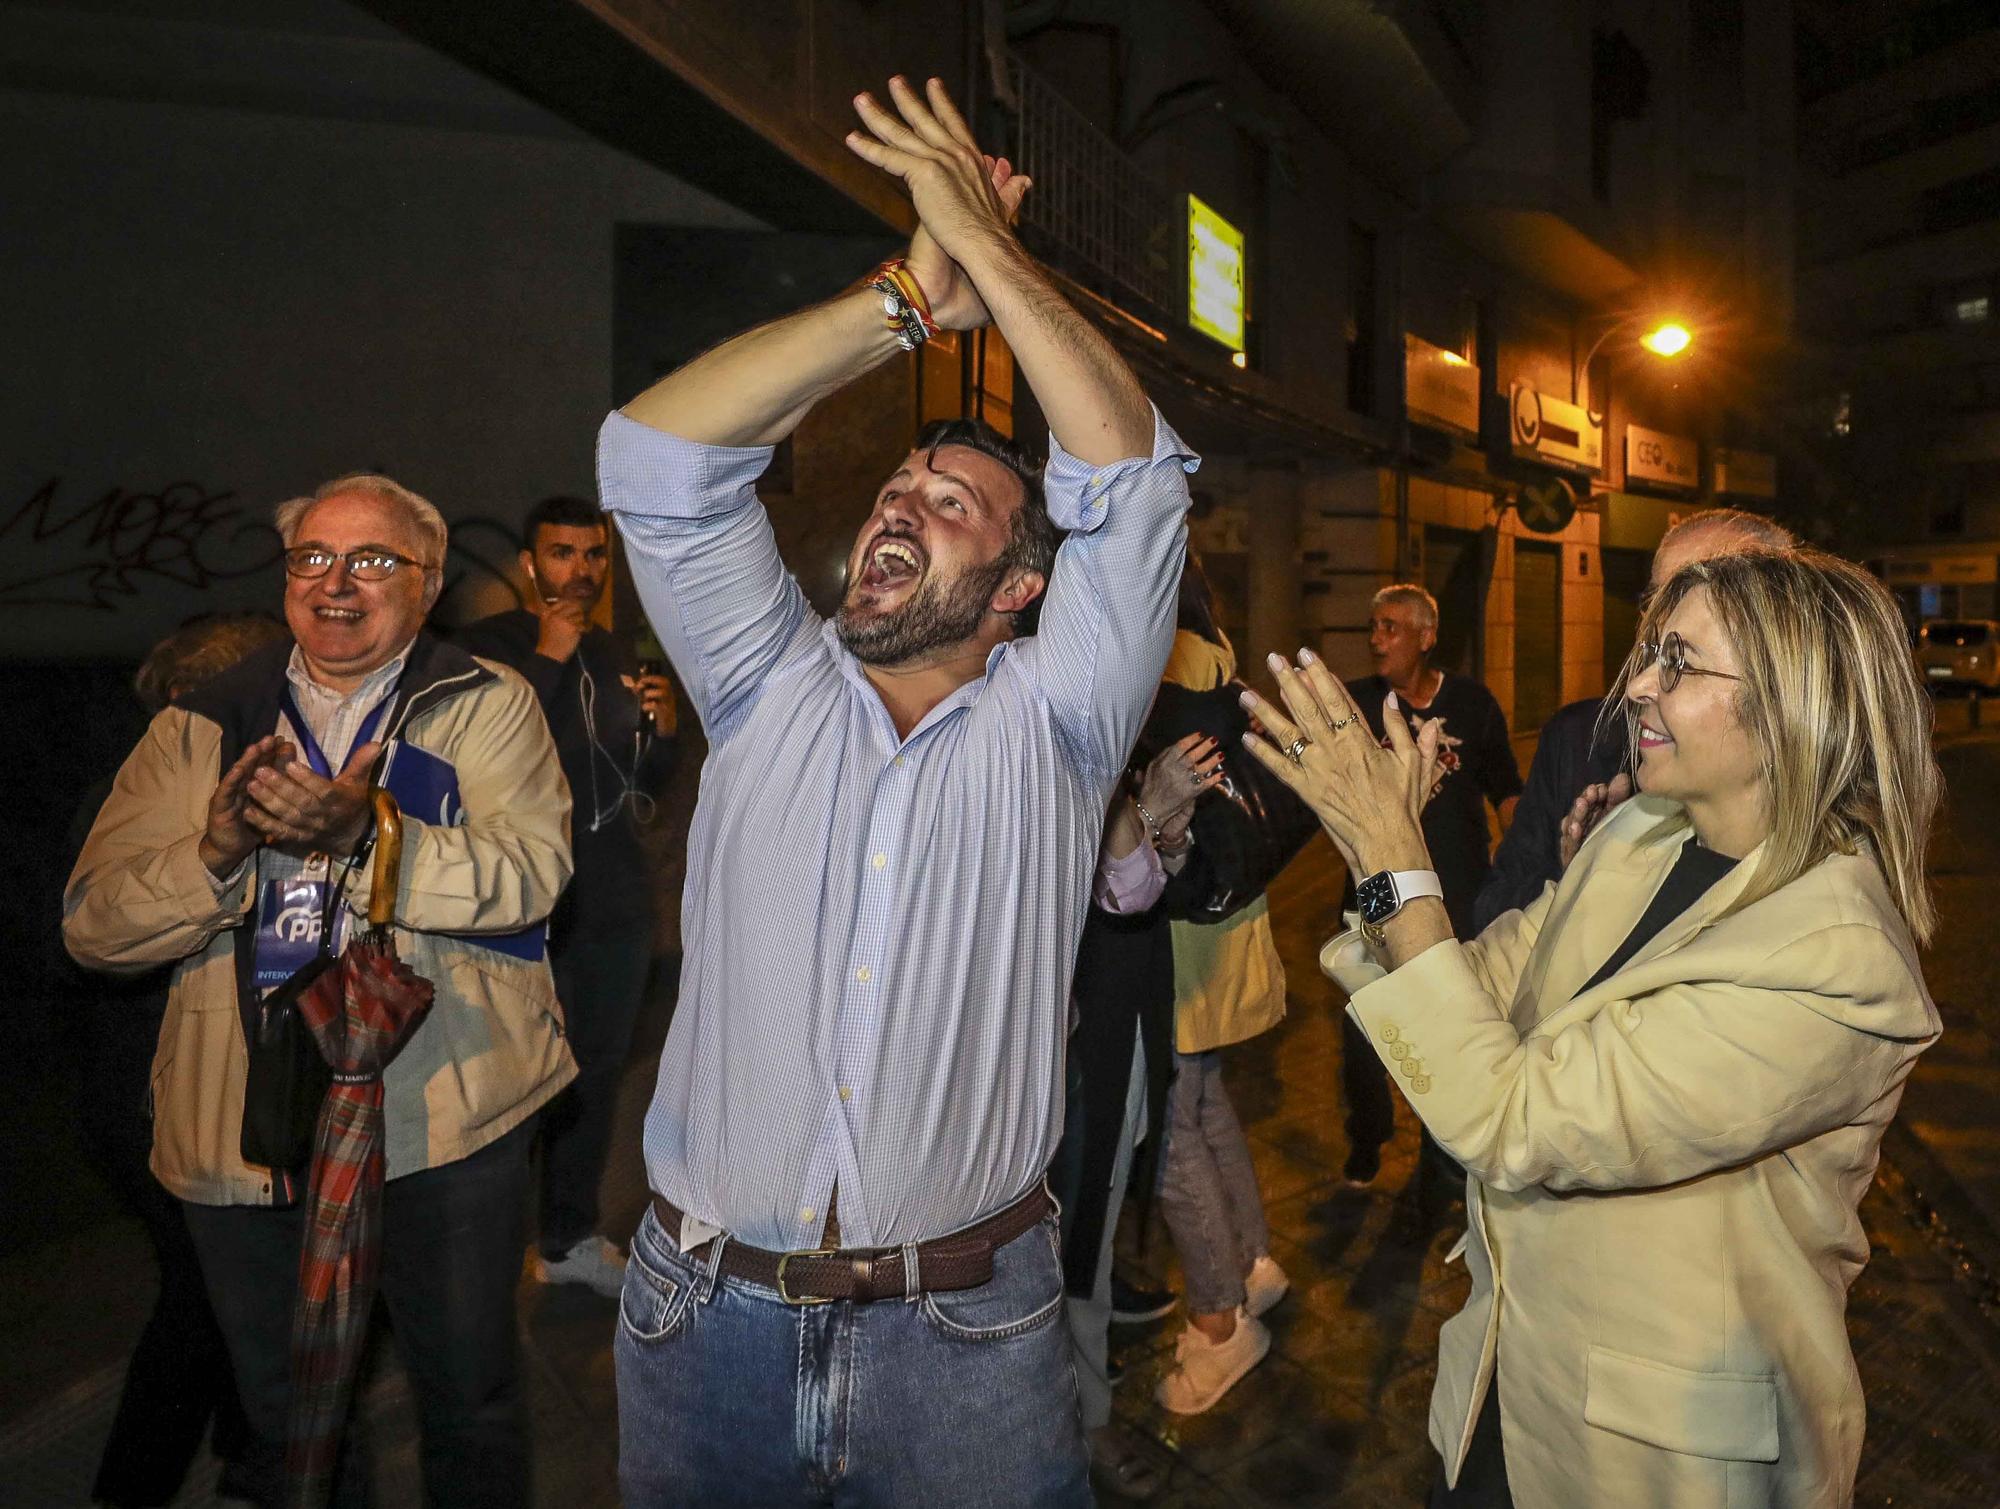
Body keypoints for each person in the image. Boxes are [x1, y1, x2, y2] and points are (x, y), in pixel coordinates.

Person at [596, 74, 1193, 1507]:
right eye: (894, 491)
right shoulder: (763, 680)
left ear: (1020, 586)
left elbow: (1138, 480)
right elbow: (659, 459)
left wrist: (989, 246)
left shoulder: (1059, 724)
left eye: (949, 506)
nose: (896, 508)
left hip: (965, 1341)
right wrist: (907, 299)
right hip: (702, 1319)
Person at [1241, 547, 1942, 1507]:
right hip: (1506, 1370)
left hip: (1654, 1455)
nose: (1637, 689)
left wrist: (1398, 864)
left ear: (1791, 706)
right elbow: (1476, 984)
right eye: (1649, 653)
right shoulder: (1639, 834)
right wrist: (1384, 871)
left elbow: (1513, 1115)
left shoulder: (1835, 961)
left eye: (1680, 663)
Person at [63, 474, 576, 1509]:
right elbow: (95, 927)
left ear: (426, 585)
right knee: (288, 1419)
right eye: (312, 559)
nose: (336, 583)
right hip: (246, 1124)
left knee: (468, 1398)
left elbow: (529, 873)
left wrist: (369, 836)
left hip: (448, 1112)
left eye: (372, 560)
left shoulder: (484, 702)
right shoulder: (200, 725)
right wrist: (213, 852)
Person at [59, 614, 284, 1508]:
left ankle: (247, 1459)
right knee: (198, 1306)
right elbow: (91, 938)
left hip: (155, 1094)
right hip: (150, 1102)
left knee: (231, 1305)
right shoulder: (151, 791)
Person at [456, 495, 679, 1297]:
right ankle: (484, 1248)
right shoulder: (492, 647)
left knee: (596, 1070)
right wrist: (548, 656)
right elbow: (493, 759)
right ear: (529, 563)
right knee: (514, 1075)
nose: (578, 571)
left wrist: (662, 732)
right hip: (524, 902)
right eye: (561, 554)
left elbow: (639, 782)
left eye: (592, 556)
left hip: (612, 894)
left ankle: (567, 1236)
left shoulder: (614, 648)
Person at [1474, 506, 1797, 930]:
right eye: (1657, 600)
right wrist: (1586, 875)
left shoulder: (1813, 798)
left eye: (1704, 595)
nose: (1666, 623)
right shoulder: (1580, 741)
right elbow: (1493, 911)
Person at [1061, 729, 1220, 1501]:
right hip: (1050, 1043)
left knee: (1091, 1224)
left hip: (1123, 1027)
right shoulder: (1034, 728)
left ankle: (1084, 1404)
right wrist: (1139, 819)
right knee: (1053, 1237)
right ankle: (1080, 1415)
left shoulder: (1134, 738)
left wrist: (1171, 830)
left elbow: (1172, 893)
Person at [1151, 586, 1291, 1415]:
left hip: (1181, 940)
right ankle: (1250, 1262)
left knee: (1171, 1131)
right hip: (1225, 928)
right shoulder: (1215, 658)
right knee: (1203, 1104)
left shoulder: (1163, 667)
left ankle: (1218, 1322)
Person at [1341, 583, 1521, 1189]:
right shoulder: (1358, 708)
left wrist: (1525, 868)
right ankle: (1368, 1134)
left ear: (1426, 636)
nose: (1375, 639)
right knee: (1364, 1017)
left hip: (1458, 891)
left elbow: (1505, 789)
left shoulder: (1471, 704)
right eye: (1373, 626)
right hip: (1375, 891)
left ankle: (1440, 1156)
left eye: (1390, 627)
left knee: (1449, 1022)